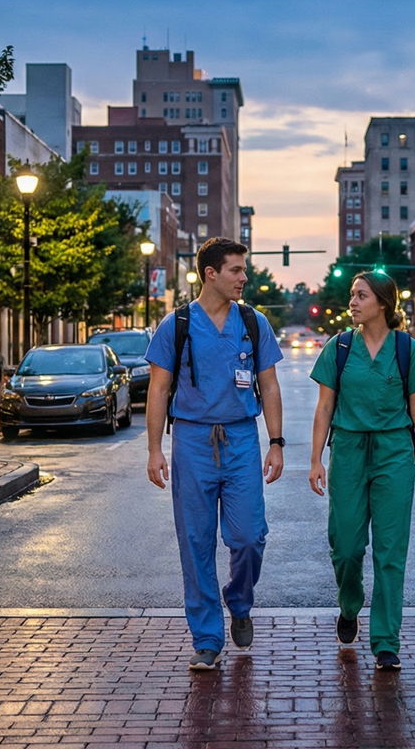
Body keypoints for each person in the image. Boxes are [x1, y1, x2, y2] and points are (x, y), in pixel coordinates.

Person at [145, 237, 285, 672]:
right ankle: (207, 637)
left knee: (249, 537)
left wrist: (276, 442)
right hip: (192, 441)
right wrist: (154, 449)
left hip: (241, 439)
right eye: (236, 270)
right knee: (196, 542)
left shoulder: (254, 322)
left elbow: (269, 385)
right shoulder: (177, 324)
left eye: (244, 269)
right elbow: (158, 389)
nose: (244, 278)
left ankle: (239, 602)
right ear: (211, 273)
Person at [308, 271, 415, 671]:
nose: (352, 302)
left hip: (394, 453)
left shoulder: (408, 350)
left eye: (361, 295)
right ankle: (349, 605)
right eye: (352, 295)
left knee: (390, 550)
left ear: (382, 303)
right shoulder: (339, 347)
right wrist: (315, 459)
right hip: (348, 450)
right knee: (346, 547)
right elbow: (324, 407)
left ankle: (386, 641)